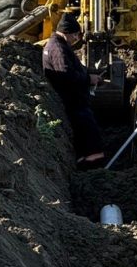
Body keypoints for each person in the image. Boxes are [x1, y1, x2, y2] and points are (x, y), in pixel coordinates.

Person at [42, 14, 105, 167]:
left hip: (73, 99)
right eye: (75, 35)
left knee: (86, 133)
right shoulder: (58, 49)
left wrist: (88, 74)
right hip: (72, 101)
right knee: (90, 133)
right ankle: (94, 168)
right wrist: (89, 79)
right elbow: (67, 76)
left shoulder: (57, 45)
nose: (76, 39)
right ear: (66, 32)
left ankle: (87, 162)